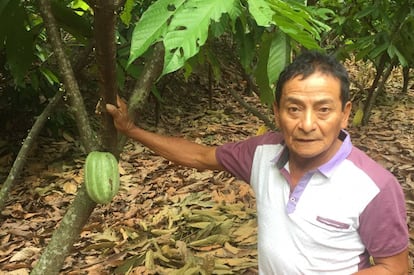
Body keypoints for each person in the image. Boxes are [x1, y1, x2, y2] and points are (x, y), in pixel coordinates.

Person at [106, 51, 409, 274]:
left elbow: (394, 268)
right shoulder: (262, 153)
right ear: (277, 112)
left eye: (323, 110)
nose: (306, 124)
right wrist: (131, 130)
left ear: (344, 114)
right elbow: (199, 156)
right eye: (294, 109)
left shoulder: (374, 187)